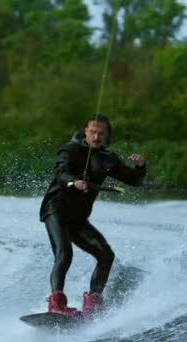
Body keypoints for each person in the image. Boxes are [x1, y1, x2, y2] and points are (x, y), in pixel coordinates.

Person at [39, 113, 146, 319]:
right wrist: (74, 182)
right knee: (64, 254)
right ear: (85, 131)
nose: (96, 137)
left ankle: (93, 303)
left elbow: (134, 180)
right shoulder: (69, 150)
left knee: (106, 255)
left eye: (101, 134)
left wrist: (140, 167)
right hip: (56, 210)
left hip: (78, 219)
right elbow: (61, 173)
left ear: (107, 136)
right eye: (93, 132)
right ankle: (57, 303)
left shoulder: (108, 159)